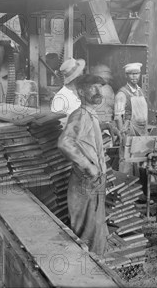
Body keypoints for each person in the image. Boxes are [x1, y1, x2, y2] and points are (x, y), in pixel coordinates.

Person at [57, 74, 109, 255]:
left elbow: (85, 137)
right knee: (88, 230)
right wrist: (89, 166)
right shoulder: (80, 115)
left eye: (100, 87)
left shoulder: (89, 114)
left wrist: (107, 128)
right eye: (92, 88)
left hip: (94, 180)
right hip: (86, 180)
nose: (98, 91)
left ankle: (95, 263)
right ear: (80, 91)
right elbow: (64, 143)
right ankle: (89, 271)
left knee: (95, 225)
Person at [114, 62, 148, 136]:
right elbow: (117, 117)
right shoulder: (122, 94)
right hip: (130, 132)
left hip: (143, 131)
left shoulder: (141, 91)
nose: (134, 76)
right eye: (131, 74)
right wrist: (123, 136)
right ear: (126, 75)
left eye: (137, 73)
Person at [50, 58, 85, 123]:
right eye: (81, 75)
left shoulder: (82, 90)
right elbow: (55, 119)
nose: (83, 77)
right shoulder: (61, 96)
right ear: (76, 78)